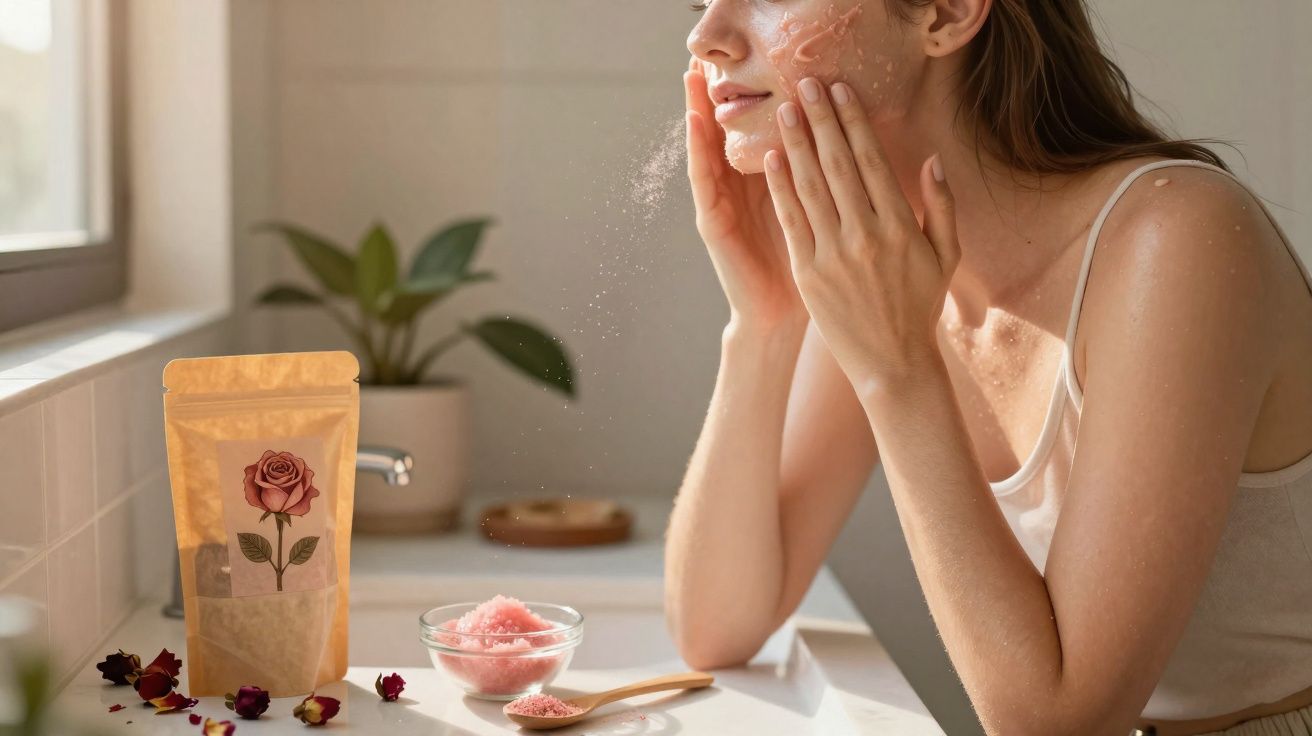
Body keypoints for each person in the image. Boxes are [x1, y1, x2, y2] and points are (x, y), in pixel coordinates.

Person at [662, 1, 1312, 734]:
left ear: (945, 12)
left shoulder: (1177, 239)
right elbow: (718, 623)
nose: (704, 36)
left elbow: (1057, 724)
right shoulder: (889, 262)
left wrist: (899, 373)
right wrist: (764, 322)